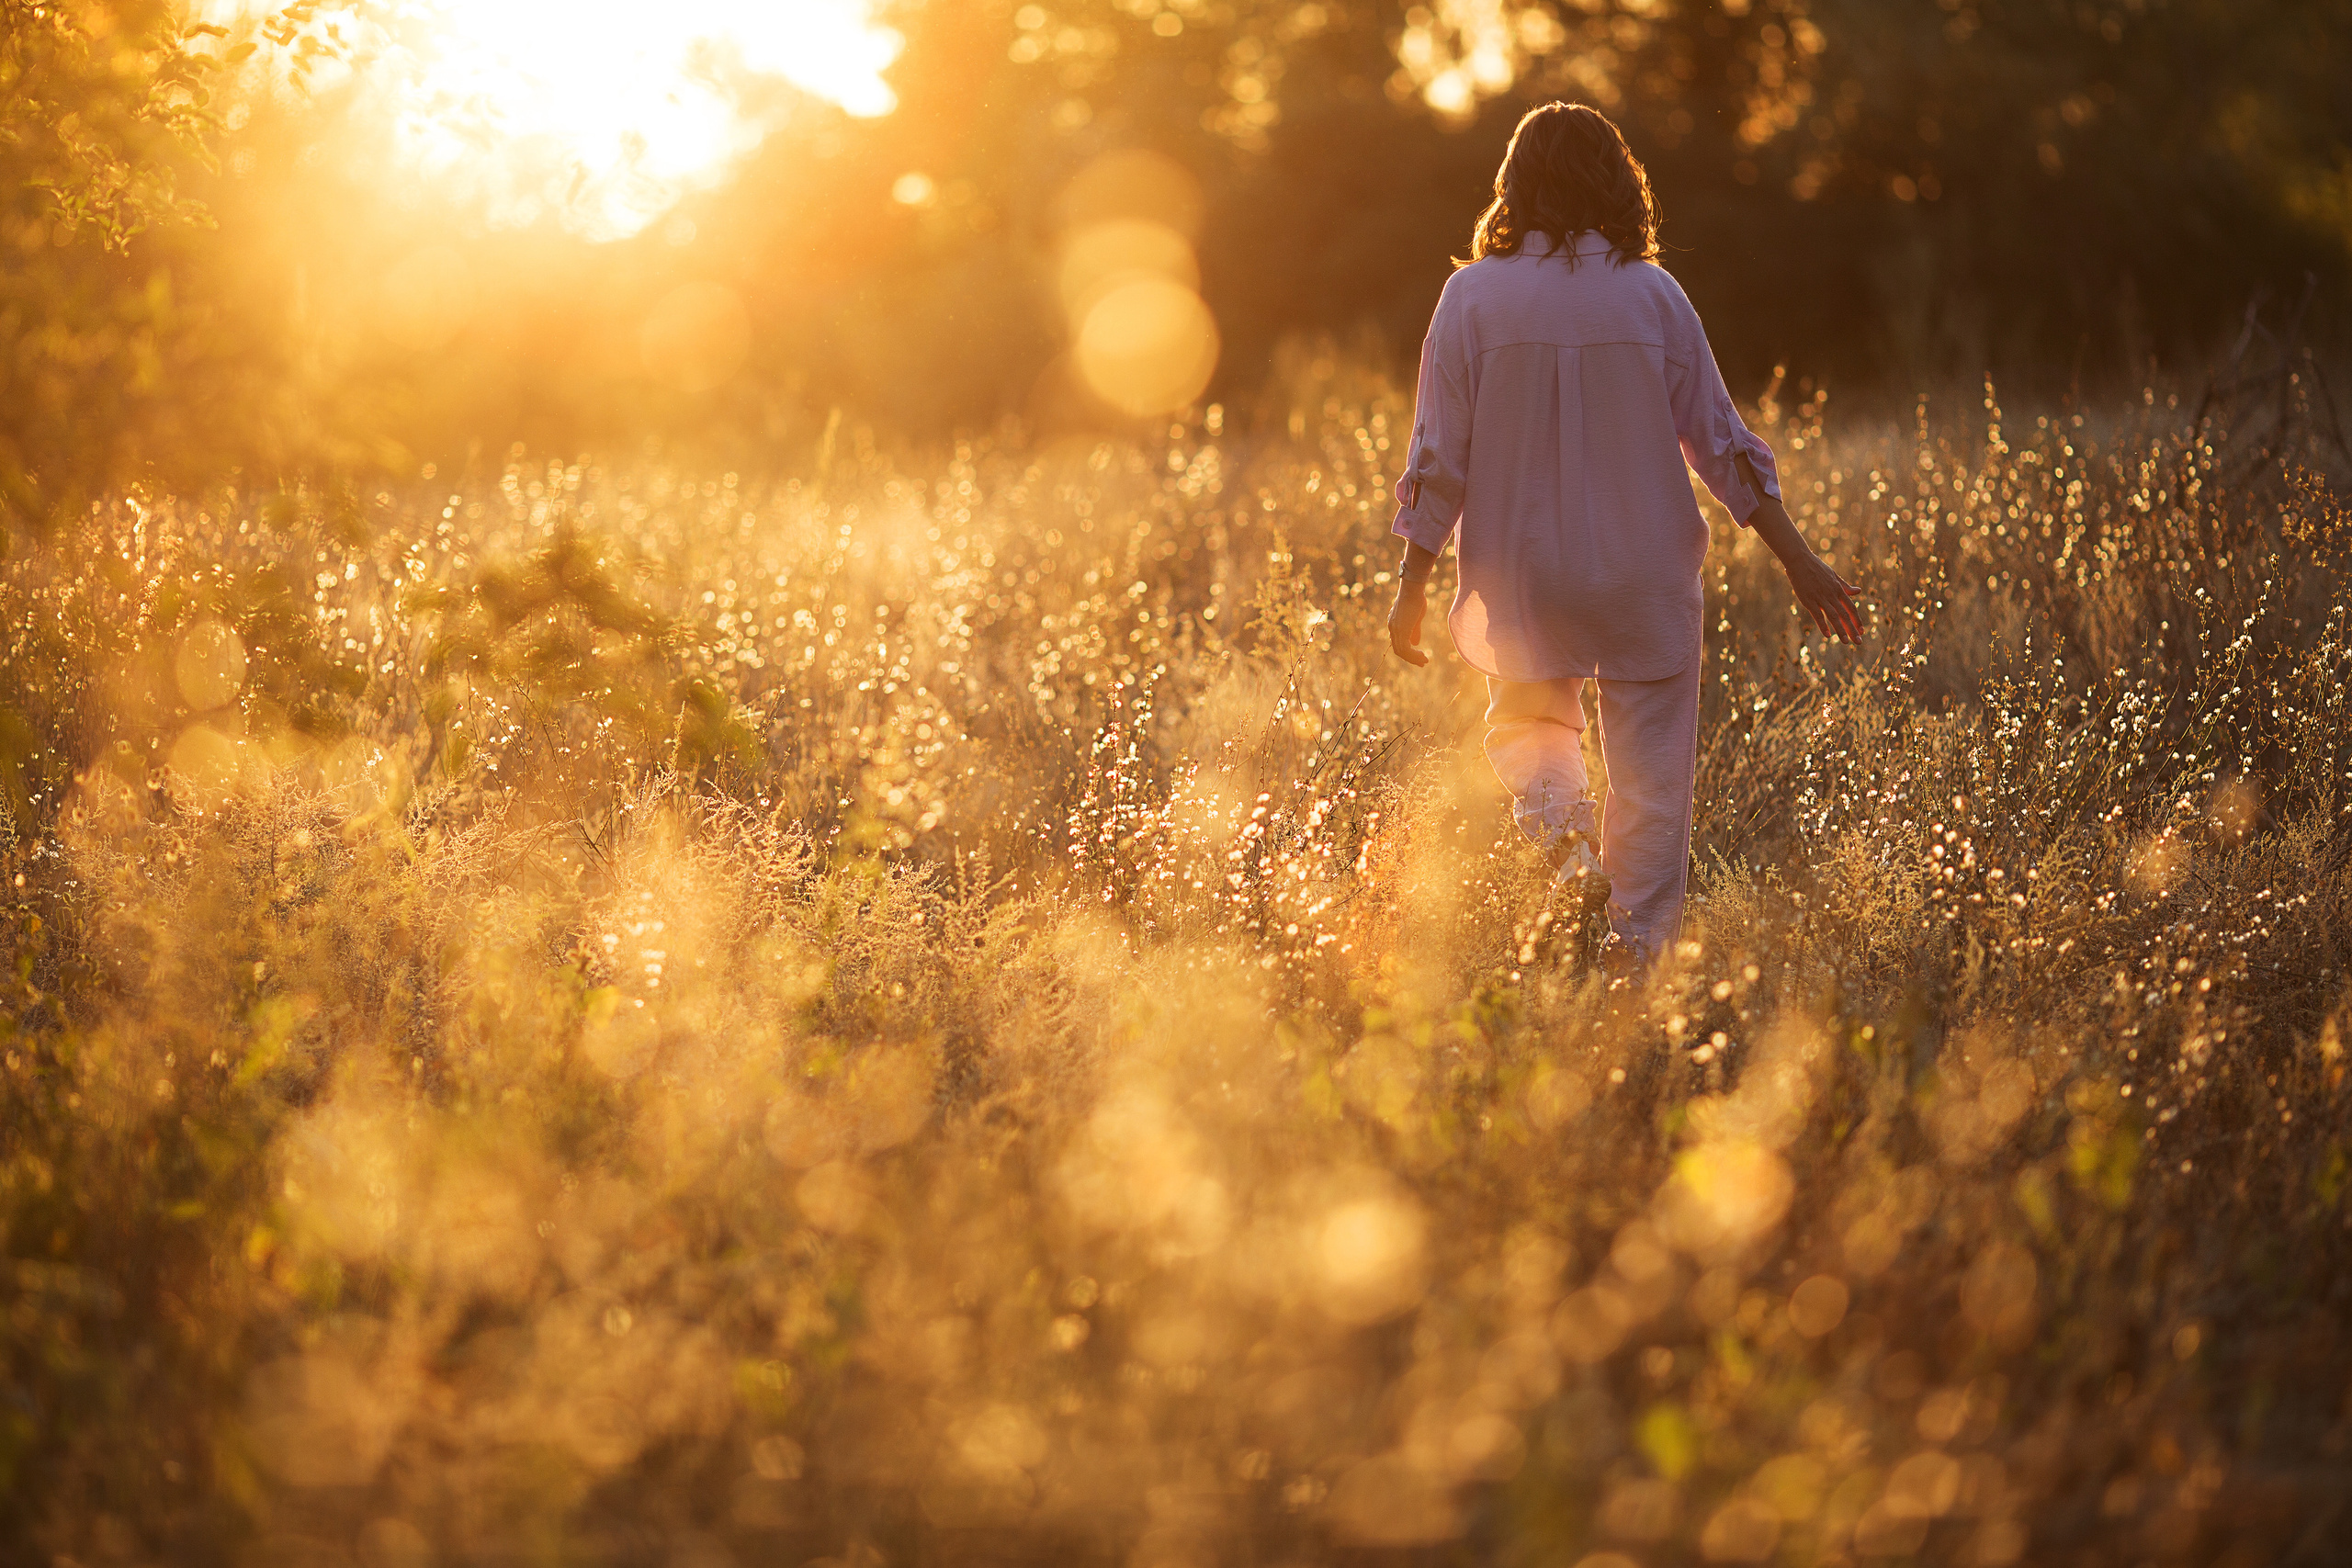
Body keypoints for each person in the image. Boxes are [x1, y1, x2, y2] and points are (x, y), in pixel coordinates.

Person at [1385, 101, 1862, 974]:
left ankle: (1567, 856)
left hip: (1526, 574)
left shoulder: (1472, 297)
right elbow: (1720, 442)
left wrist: (1412, 579)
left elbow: (1438, 454)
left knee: (1530, 726)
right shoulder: (1653, 293)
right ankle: (1635, 970)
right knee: (1651, 783)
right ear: (1617, 180)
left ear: (1515, 182)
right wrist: (1800, 559)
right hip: (1642, 573)